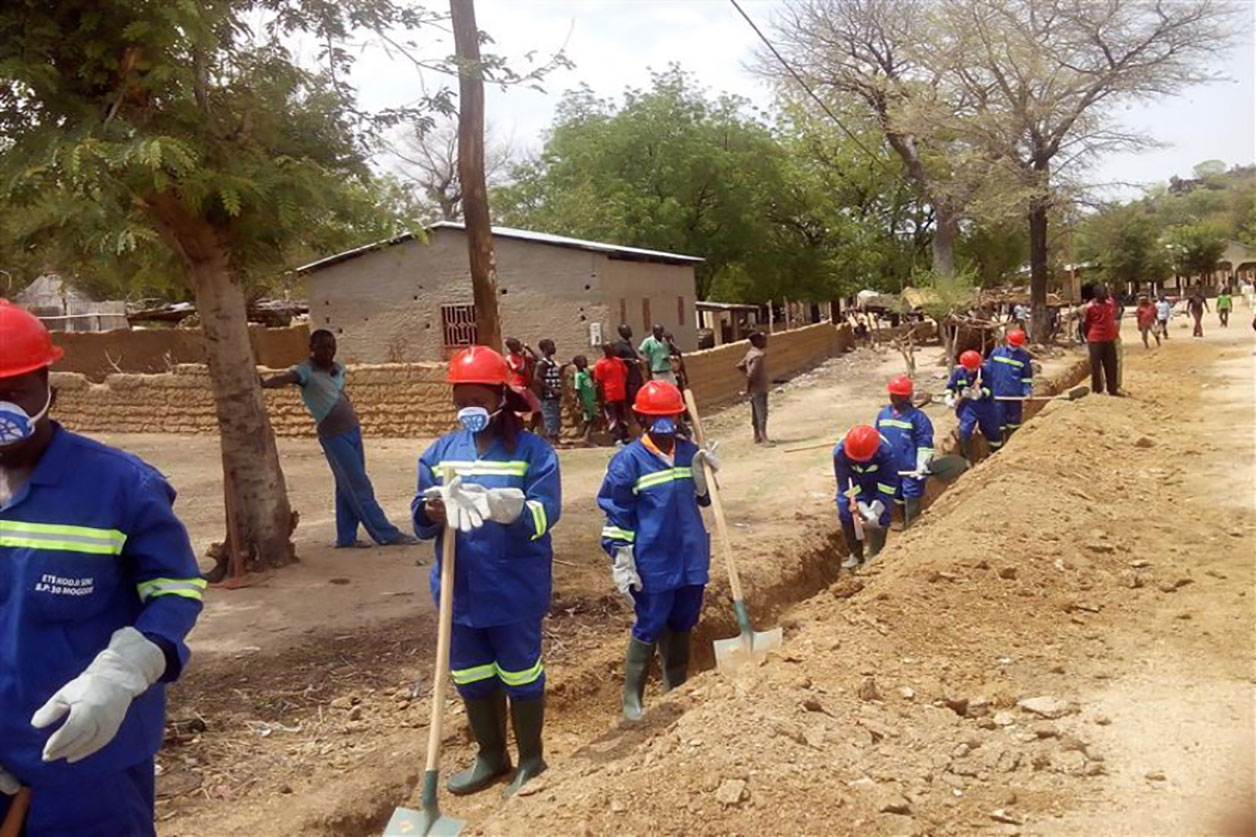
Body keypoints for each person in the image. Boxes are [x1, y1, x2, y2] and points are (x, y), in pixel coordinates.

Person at [0, 300, 205, 835]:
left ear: (50, 391)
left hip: (89, 759)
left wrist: (126, 668)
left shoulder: (120, 486)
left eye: (13, 392)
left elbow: (176, 589)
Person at [411, 345, 561, 798]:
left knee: (519, 673)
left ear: (500, 397)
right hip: (460, 588)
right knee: (472, 675)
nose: (468, 410)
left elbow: (545, 513)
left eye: (477, 400)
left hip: (513, 586)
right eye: (460, 401)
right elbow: (419, 516)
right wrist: (431, 512)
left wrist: (509, 511)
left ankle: (531, 758)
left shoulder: (532, 453)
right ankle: (491, 755)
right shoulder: (439, 454)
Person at [597, 380, 718, 722]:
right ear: (641, 418)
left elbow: (706, 500)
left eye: (671, 417)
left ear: (679, 417)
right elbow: (617, 512)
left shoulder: (688, 451)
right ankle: (632, 696)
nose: (665, 425)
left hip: (690, 554)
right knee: (651, 621)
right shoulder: (628, 462)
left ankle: (675, 684)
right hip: (654, 559)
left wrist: (705, 474)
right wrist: (621, 557)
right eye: (656, 418)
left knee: (683, 620)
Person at [262, 329, 414, 548]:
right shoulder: (304, 371)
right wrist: (265, 383)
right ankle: (386, 534)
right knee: (359, 484)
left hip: (352, 431)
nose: (328, 351)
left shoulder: (338, 369)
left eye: (331, 346)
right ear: (312, 349)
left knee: (346, 486)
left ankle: (346, 538)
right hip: (333, 435)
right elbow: (285, 378)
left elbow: (336, 394)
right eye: (323, 347)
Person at [833, 424, 898, 570]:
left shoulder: (886, 452)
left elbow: (888, 485)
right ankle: (856, 554)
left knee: (882, 517)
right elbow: (845, 484)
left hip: (877, 483)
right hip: (855, 483)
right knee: (846, 511)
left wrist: (875, 510)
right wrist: (860, 506)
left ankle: (875, 555)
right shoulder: (840, 452)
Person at [874, 376, 934, 528]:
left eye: (899, 396)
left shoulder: (917, 418)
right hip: (890, 469)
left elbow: (924, 443)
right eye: (893, 395)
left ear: (907, 397)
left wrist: (922, 463)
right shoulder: (883, 415)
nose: (895, 398)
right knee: (897, 496)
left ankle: (912, 527)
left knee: (912, 495)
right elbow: (877, 439)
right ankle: (903, 521)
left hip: (911, 470)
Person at [946, 349, 1003, 461]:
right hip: (968, 407)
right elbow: (950, 387)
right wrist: (949, 397)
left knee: (992, 430)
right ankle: (967, 458)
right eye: (969, 368)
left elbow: (990, 390)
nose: (972, 370)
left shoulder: (986, 372)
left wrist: (980, 393)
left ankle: (996, 454)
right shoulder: (958, 373)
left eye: (974, 368)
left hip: (986, 406)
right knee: (965, 430)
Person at [988, 329, 1034, 439]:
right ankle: (998, 449)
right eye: (1012, 344)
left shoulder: (1023, 357)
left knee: (1014, 423)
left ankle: (1011, 445)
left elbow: (1026, 378)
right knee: (998, 423)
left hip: (1015, 397)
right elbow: (987, 371)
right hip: (998, 395)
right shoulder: (996, 353)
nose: (1013, 346)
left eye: (1015, 344)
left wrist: (1027, 392)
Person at [1082, 284, 1121, 396]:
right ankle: (1097, 389)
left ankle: (1112, 389)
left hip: (1109, 338)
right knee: (1095, 365)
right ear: (1096, 294)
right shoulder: (1089, 307)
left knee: (1111, 364)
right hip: (1095, 339)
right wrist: (1088, 336)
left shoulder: (1110, 304)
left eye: (1105, 292)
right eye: (1103, 292)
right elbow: (1085, 323)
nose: (1105, 294)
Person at [737, 331, 772, 446]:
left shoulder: (750, 353)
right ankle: (763, 438)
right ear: (757, 341)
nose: (766, 341)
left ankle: (756, 436)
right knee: (762, 413)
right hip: (758, 387)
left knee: (755, 413)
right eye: (763, 339)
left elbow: (740, 366)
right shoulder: (758, 356)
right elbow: (751, 374)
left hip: (753, 388)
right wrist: (748, 385)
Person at [593, 343, 630, 446]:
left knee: (622, 417)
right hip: (609, 395)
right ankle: (616, 438)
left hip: (621, 394)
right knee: (612, 418)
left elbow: (625, 374)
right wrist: (603, 396)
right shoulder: (600, 364)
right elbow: (599, 382)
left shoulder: (619, 361)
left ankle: (625, 436)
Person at [504, 338, 543, 424]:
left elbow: (538, 359)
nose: (519, 346)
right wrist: (523, 359)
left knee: (538, 408)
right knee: (519, 411)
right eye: (517, 345)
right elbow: (520, 370)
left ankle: (530, 429)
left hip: (526, 386)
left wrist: (529, 348)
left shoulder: (521, 357)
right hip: (517, 386)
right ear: (511, 347)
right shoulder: (510, 358)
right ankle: (518, 428)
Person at [533, 339, 565, 443]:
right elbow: (537, 378)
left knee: (556, 416)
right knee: (550, 416)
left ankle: (556, 438)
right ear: (545, 348)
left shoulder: (551, 362)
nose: (554, 348)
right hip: (547, 395)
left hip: (554, 395)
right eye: (551, 346)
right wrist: (552, 389)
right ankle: (552, 439)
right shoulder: (542, 364)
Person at [611, 324, 645, 412]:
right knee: (632, 398)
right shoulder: (619, 345)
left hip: (636, 374)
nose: (629, 331)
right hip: (629, 377)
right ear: (621, 332)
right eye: (626, 330)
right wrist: (627, 360)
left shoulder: (628, 343)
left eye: (629, 329)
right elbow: (615, 359)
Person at [571, 355, 598, 446]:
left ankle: (584, 438)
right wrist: (582, 403)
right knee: (591, 420)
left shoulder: (585, 373)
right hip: (586, 402)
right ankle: (586, 439)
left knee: (591, 419)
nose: (586, 362)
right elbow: (577, 390)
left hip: (591, 400)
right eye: (583, 361)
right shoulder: (578, 376)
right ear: (578, 364)